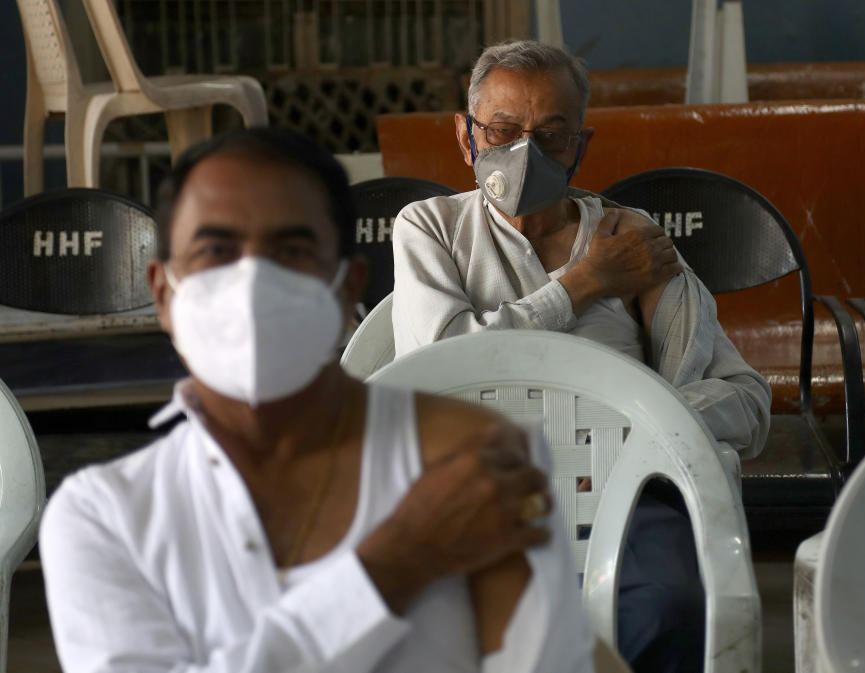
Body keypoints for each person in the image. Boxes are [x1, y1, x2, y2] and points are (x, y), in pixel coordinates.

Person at [39, 127, 604, 673]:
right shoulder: (105, 517)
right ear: (163, 291)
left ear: (346, 290)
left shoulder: (477, 456)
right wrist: (394, 563)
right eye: (216, 249)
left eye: (292, 249)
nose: (253, 279)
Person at [391, 40, 772, 672]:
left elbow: (748, 400)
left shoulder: (633, 240)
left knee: (670, 605)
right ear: (466, 138)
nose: (526, 153)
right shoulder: (430, 228)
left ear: (581, 147)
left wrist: (638, 432)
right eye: (505, 131)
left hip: (627, 494)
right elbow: (442, 367)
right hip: (473, 490)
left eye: (552, 135)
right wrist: (585, 284)